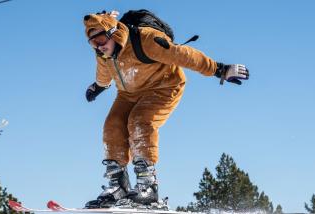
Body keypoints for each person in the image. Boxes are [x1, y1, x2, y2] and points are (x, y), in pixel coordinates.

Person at [82, 11, 249, 208]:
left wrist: (219, 69)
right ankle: (118, 187)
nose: (99, 46)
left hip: (164, 86)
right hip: (129, 93)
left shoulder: (146, 40)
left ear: (114, 33)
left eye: (101, 39)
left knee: (139, 122)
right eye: (93, 43)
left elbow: (185, 55)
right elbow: (104, 72)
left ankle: (147, 188)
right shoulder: (103, 54)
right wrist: (99, 86)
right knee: (112, 126)